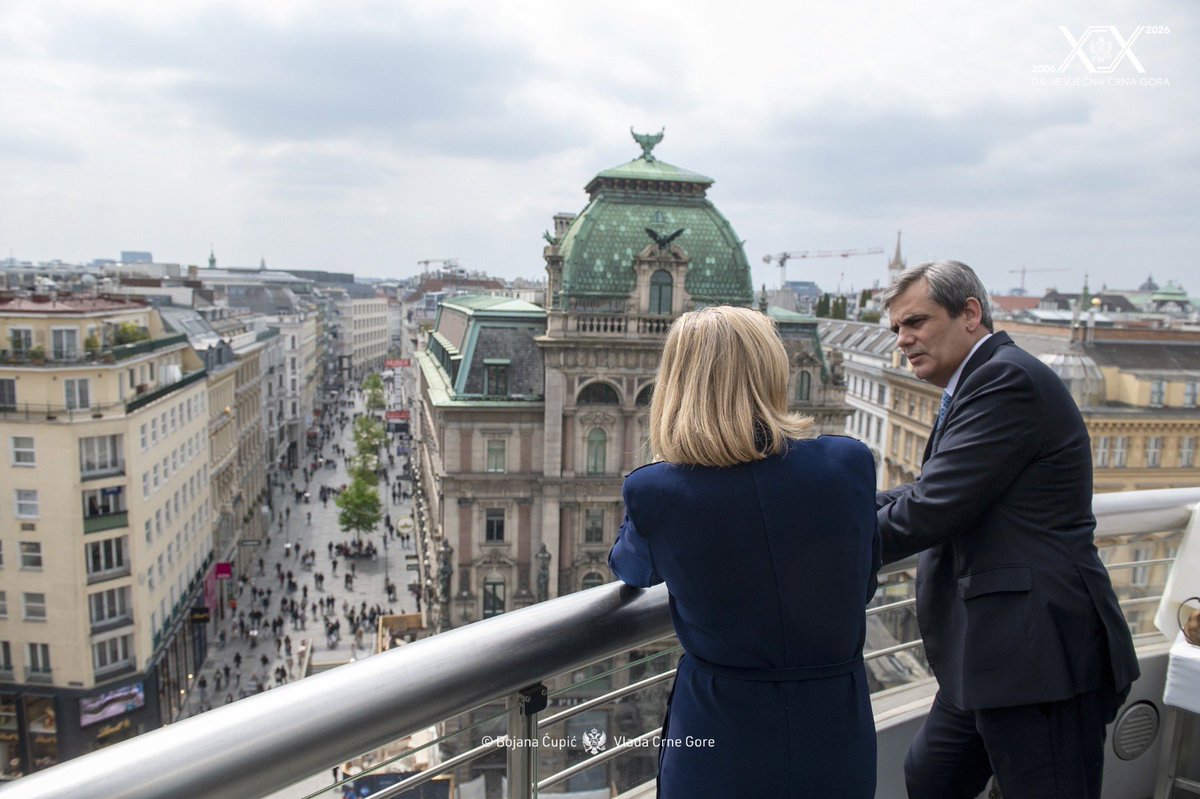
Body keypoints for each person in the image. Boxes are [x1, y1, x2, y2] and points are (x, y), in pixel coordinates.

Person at [875, 261, 1139, 798]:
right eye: (898, 328)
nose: (903, 340)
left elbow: (930, 508)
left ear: (970, 313)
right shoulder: (980, 378)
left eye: (916, 322)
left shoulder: (1005, 378)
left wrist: (813, 545)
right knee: (929, 778)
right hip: (987, 650)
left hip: (1037, 655)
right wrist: (828, 508)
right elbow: (928, 487)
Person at [608, 305, 879, 798]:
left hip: (720, 732)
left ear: (677, 384)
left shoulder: (657, 490)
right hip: (836, 728)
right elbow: (863, 582)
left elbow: (631, 569)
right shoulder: (849, 463)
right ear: (772, 371)